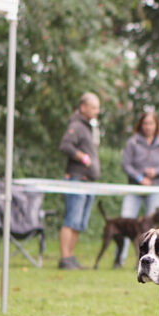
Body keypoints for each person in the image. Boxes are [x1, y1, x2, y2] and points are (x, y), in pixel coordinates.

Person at [117, 110, 159, 267]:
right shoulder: (132, 142)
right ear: (140, 125)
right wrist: (139, 178)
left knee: (152, 230)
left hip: (155, 189)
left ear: (156, 125)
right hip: (135, 188)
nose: (148, 127)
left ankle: (150, 261)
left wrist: (156, 172)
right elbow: (125, 164)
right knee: (125, 221)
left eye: (151, 123)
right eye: (145, 123)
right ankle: (119, 260)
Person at [58, 92, 101, 269]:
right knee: (71, 219)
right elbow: (65, 145)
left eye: (98, 108)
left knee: (78, 223)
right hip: (76, 179)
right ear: (83, 107)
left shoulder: (88, 127)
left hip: (87, 182)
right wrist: (82, 157)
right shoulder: (76, 125)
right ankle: (64, 258)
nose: (97, 111)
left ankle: (70, 257)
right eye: (93, 107)